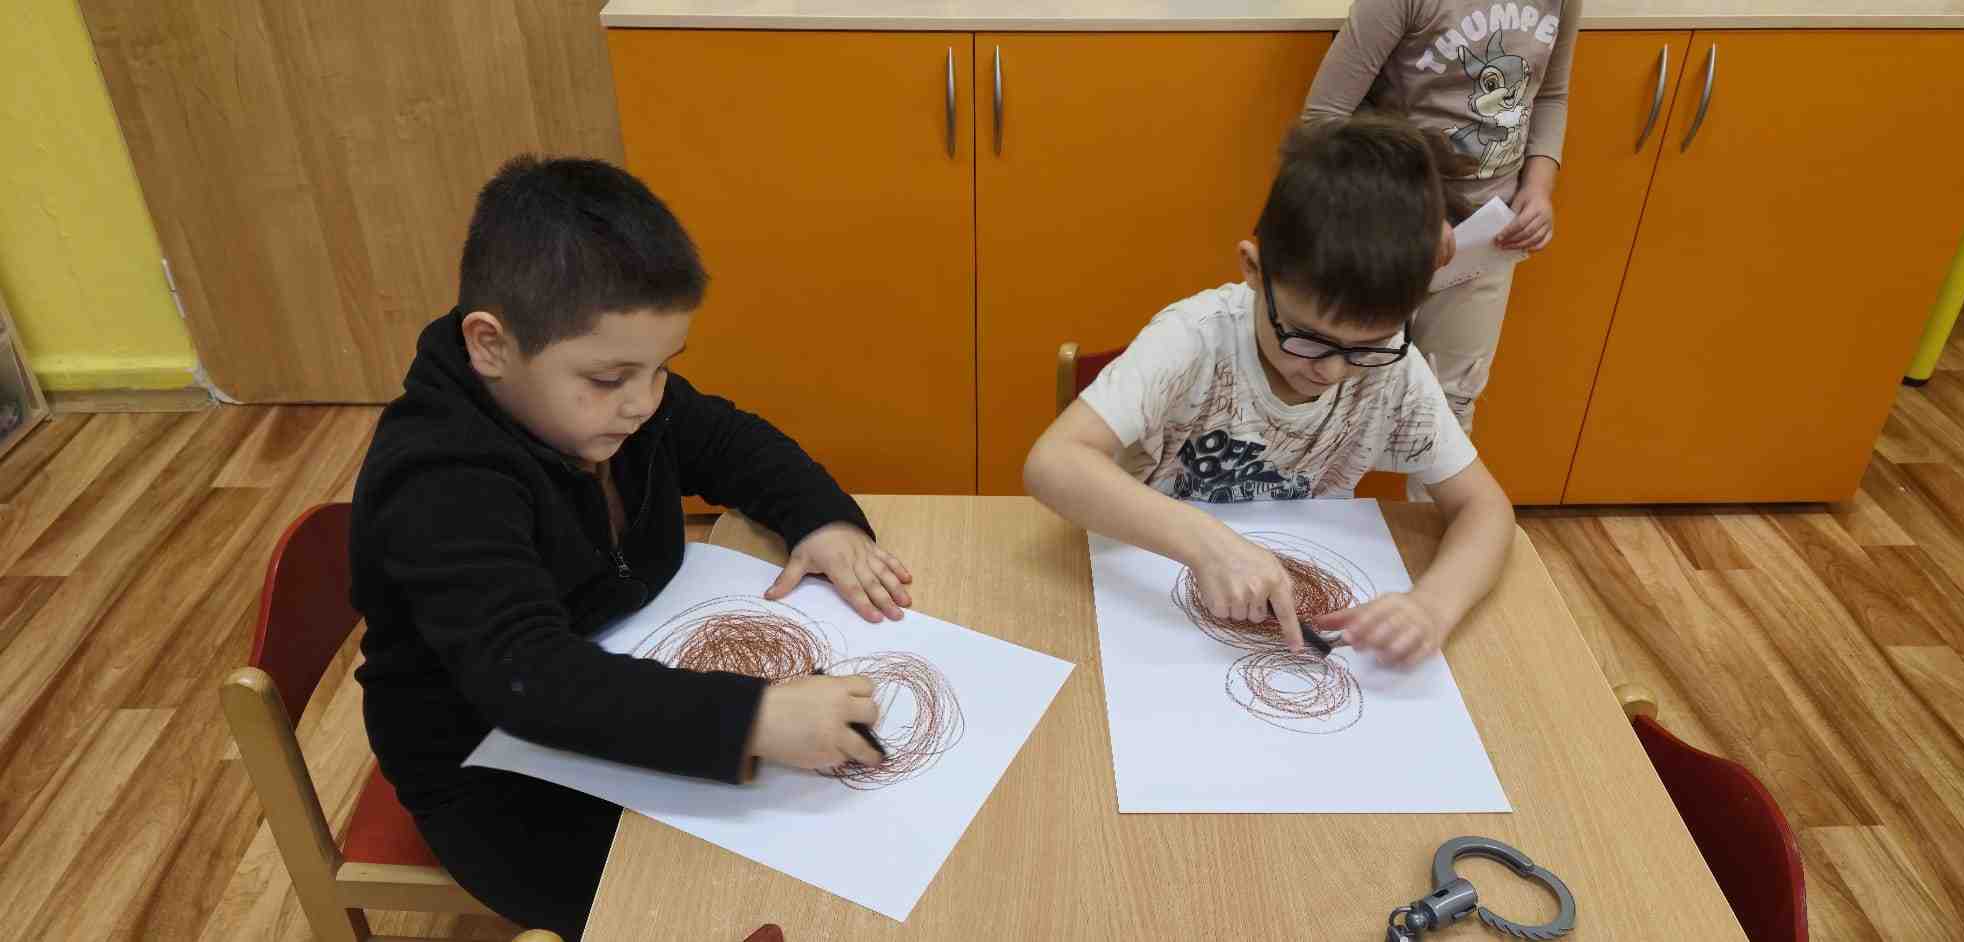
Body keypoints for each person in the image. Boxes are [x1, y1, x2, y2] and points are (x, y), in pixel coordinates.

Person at [348, 155, 913, 939]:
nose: (644, 403)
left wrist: (822, 520)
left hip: (616, 674)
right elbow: (528, 679)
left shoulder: (612, 401)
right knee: (713, 907)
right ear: (491, 345)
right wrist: (754, 718)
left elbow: (731, 442)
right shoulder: (439, 481)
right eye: (611, 378)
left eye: (662, 369)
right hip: (489, 773)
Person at [1024, 116, 1515, 666]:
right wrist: (1205, 543)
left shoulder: (1393, 371)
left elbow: (1486, 509)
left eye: (1367, 346)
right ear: (1255, 270)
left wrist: (1432, 606)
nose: (1333, 371)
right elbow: (1053, 462)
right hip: (1153, 589)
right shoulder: (1195, 340)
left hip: (1292, 595)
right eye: (1308, 338)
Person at [1303, 0, 1579, 437]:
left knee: (1447, 411)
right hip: (1383, 223)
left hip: (1488, 236)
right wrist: (1410, 209)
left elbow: (1550, 94)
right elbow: (1322, 121)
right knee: (1335, 401)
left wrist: (1539, 186)